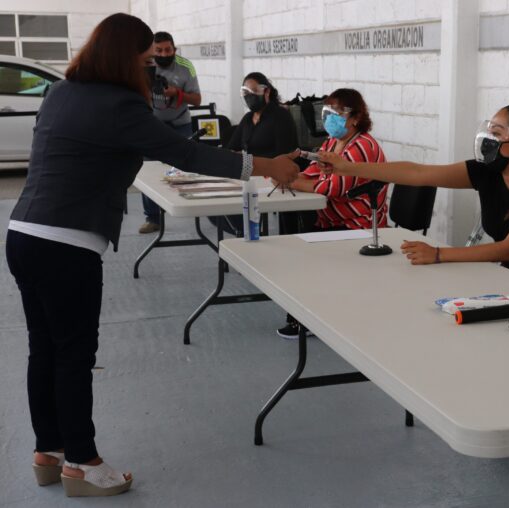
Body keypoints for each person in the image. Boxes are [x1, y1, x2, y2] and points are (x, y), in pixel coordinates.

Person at [5, 13, 297, 498]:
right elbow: (186, 153)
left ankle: (48, 451)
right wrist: (267, 166)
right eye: (145, 60)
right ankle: (82, 462)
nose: (152, 70)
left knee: (45, 349)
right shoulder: (119, 104)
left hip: (24, 234)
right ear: (126, 58)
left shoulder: (61, 93)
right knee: (74, 356)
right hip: (66, 245)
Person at [320, 104, 509, 297]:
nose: (488, 138)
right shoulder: (486, 173)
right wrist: (348, 167)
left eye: (498, 132)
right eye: (489, 130)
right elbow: (418, 173)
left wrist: (438, 254)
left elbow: (508, 249)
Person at [272, 88, 388, 339]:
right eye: (326, 113)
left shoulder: (362, 146)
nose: (328, 119)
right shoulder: (333, 142)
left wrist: (288, 180)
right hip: (331, 221)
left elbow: (330, 188)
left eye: (336, 113)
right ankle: (307, 313)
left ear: (355, 117)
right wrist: (290, 175)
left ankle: (308, 319)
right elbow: (312, 173)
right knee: (290, 244)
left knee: (300, 253)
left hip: (358, 227)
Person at [139, 31, 202, 234]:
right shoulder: (144, 64)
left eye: (168, 50)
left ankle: (189, 208)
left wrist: (177, 93)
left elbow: (197, 100)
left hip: (180, 123)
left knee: (185, 168)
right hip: (151, 125)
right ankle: (152, 217)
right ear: (152, 50)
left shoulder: (186, 67)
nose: (164, 54)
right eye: (159, 50)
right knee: (148, 170)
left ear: (174, 49)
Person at [220, 72, 298, 234]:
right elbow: (231, 148)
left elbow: (284, 153)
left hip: (274, 178)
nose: (250, 96)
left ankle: (250, 232)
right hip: (251, 177)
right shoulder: (248, 118)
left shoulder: (280, 116)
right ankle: (242, 232)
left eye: (254, 91)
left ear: (266, 91)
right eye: (245, 92)